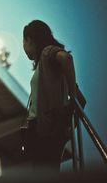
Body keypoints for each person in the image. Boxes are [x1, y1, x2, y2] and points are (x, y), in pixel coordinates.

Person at [22, 20, 78, 173]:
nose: (23, 47)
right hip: (44, 127)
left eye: (23, 41)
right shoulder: (43, 62)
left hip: (46, 127)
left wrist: (72, 97)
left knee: (44, 172)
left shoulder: (47, 52)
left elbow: (66, 58)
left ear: (29, 39)